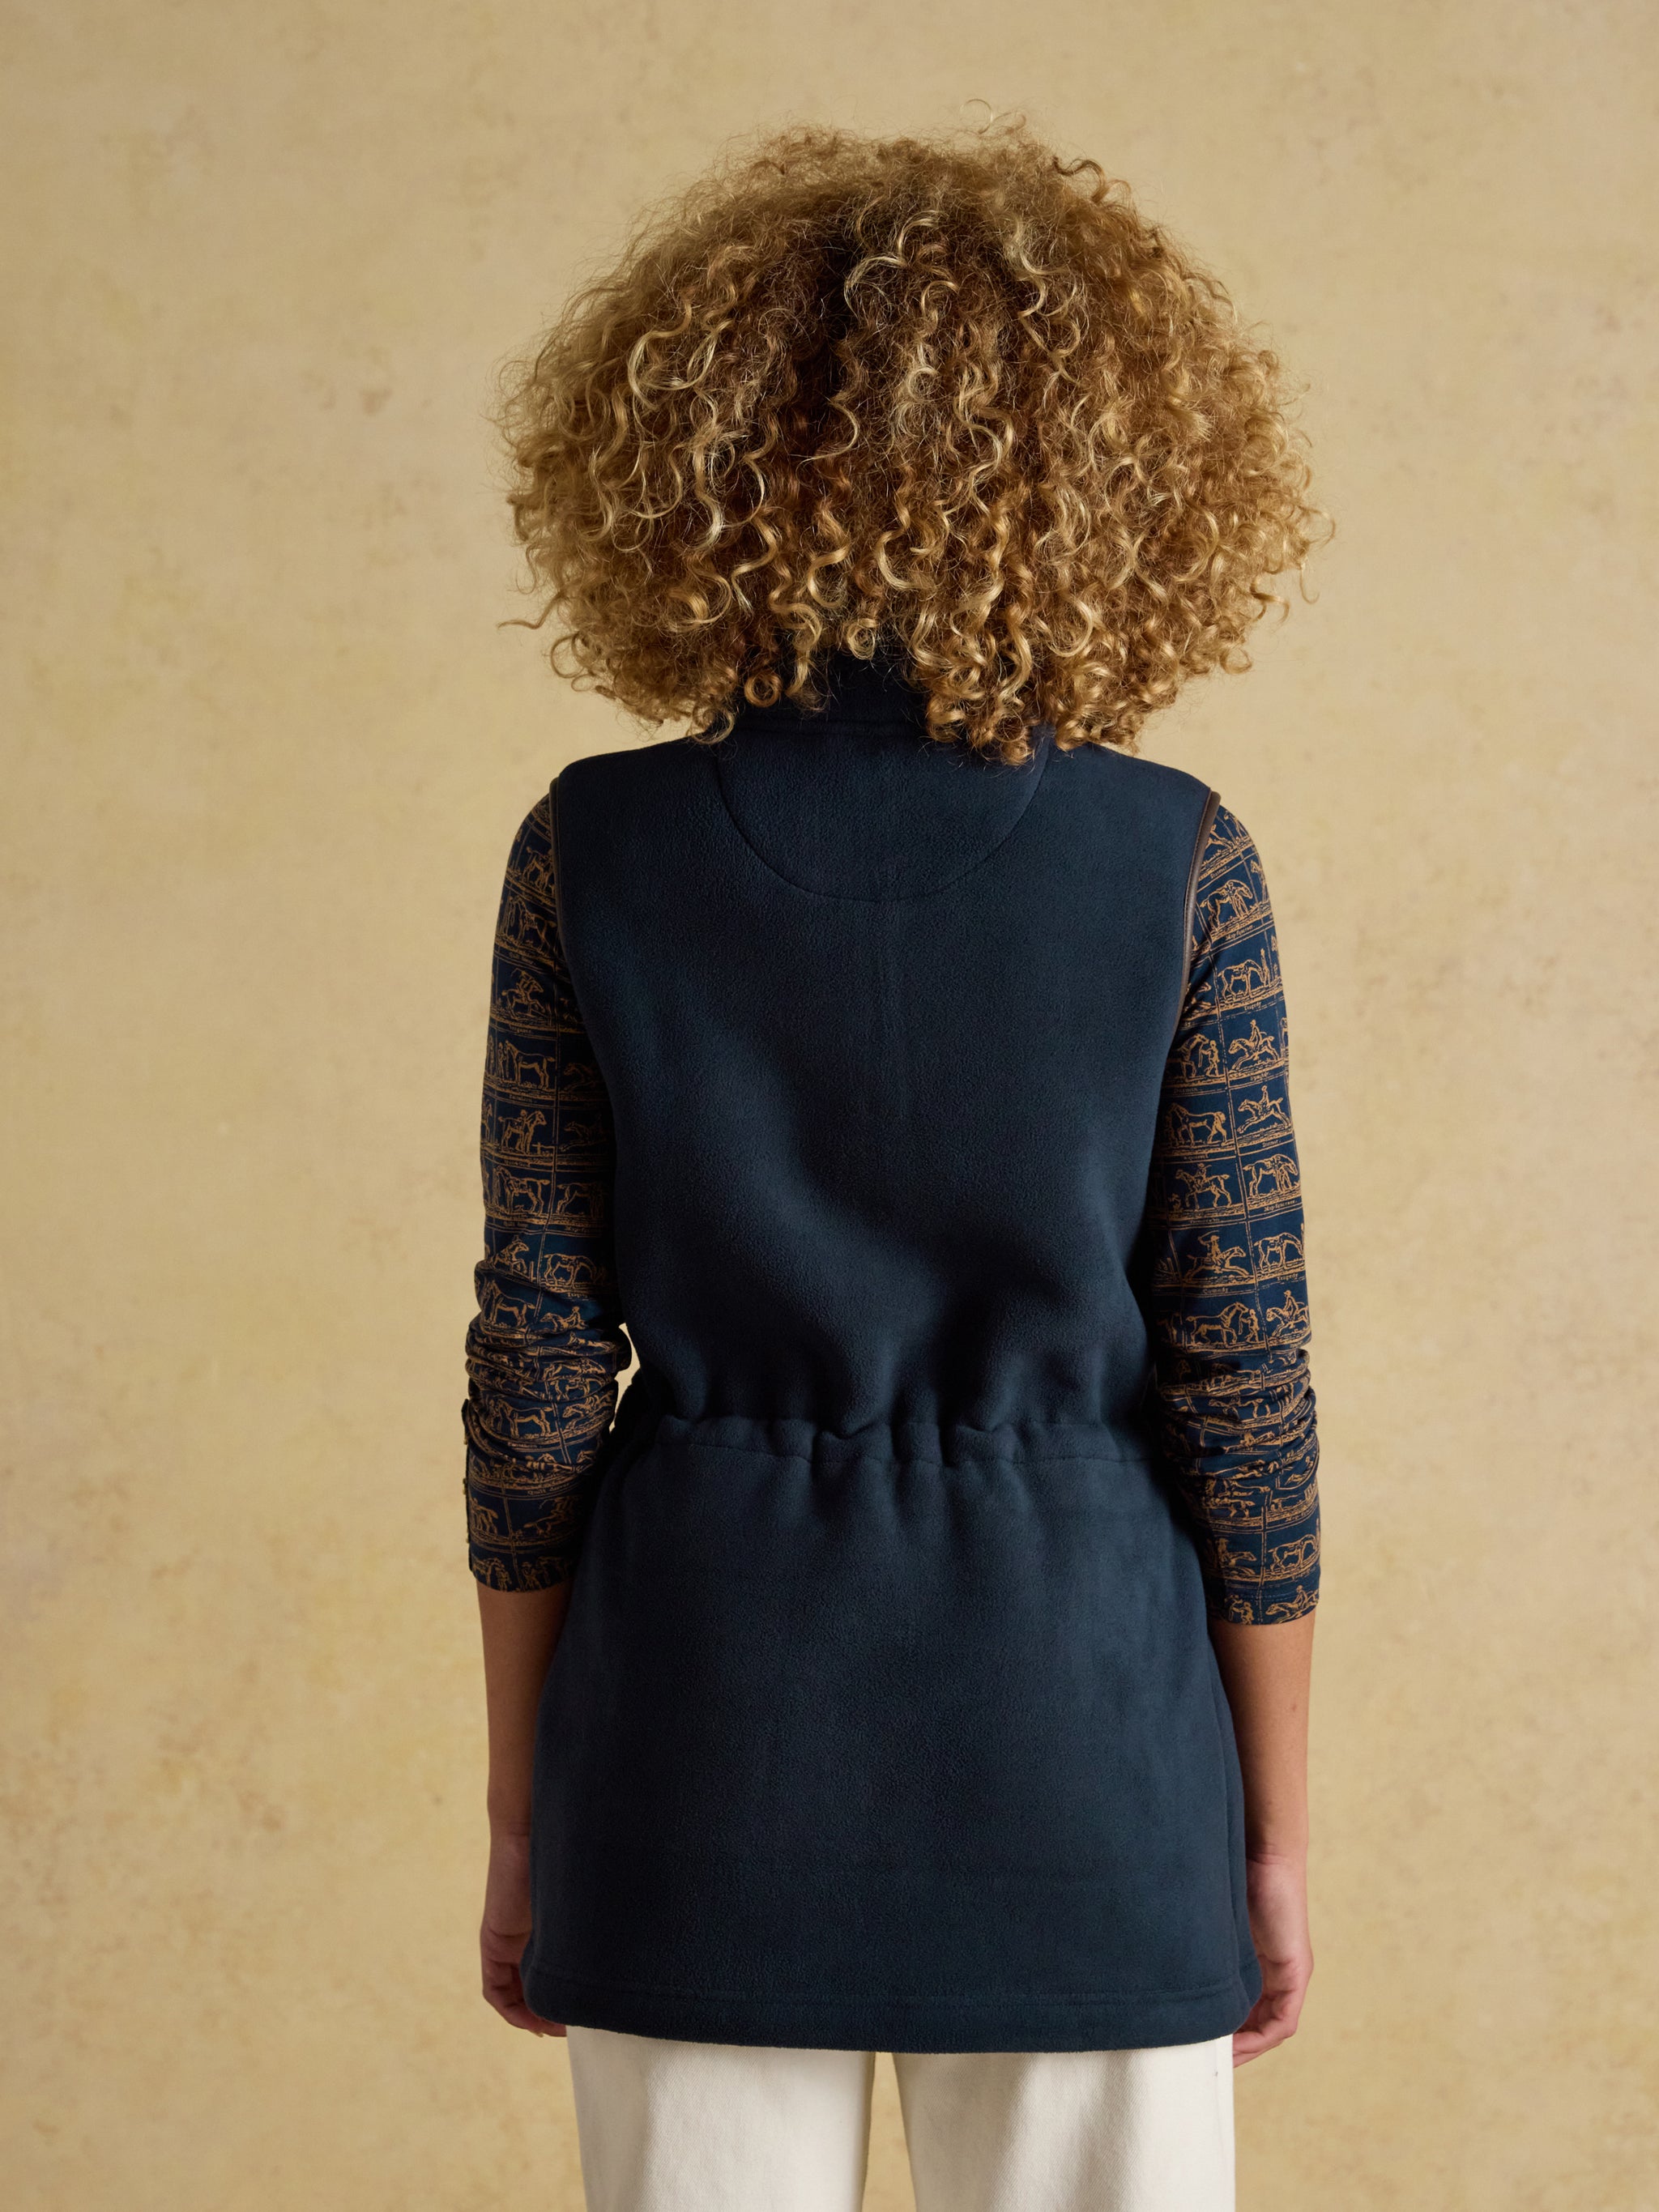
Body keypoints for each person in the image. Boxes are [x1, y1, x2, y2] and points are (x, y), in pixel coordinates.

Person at [463, 120, 1325, 2212]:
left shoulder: (592, 850)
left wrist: (523, 1805)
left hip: (695, 1742)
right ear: (1105, 472)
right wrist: (1274, 1831)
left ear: (696, 459)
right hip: (1087, 1744)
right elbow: (1248, 1392)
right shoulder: (1176, 859)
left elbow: (536, 1379)